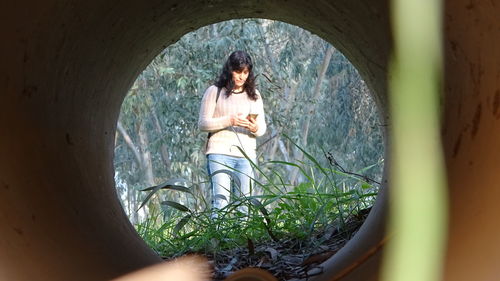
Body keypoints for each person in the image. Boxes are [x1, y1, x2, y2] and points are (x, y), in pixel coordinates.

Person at [198, 50, 267, 214]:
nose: (241, 77)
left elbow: (262, 128)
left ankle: (243, 239)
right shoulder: (214, 91)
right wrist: (229, 121)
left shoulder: (254, 95)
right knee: (221, 202)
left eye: (245, 72)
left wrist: (253, 127)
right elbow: (203, 123)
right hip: (219, 153)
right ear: (229, 70)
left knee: (245, 204)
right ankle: (218, 239)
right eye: (237, 71)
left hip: (246, 155)